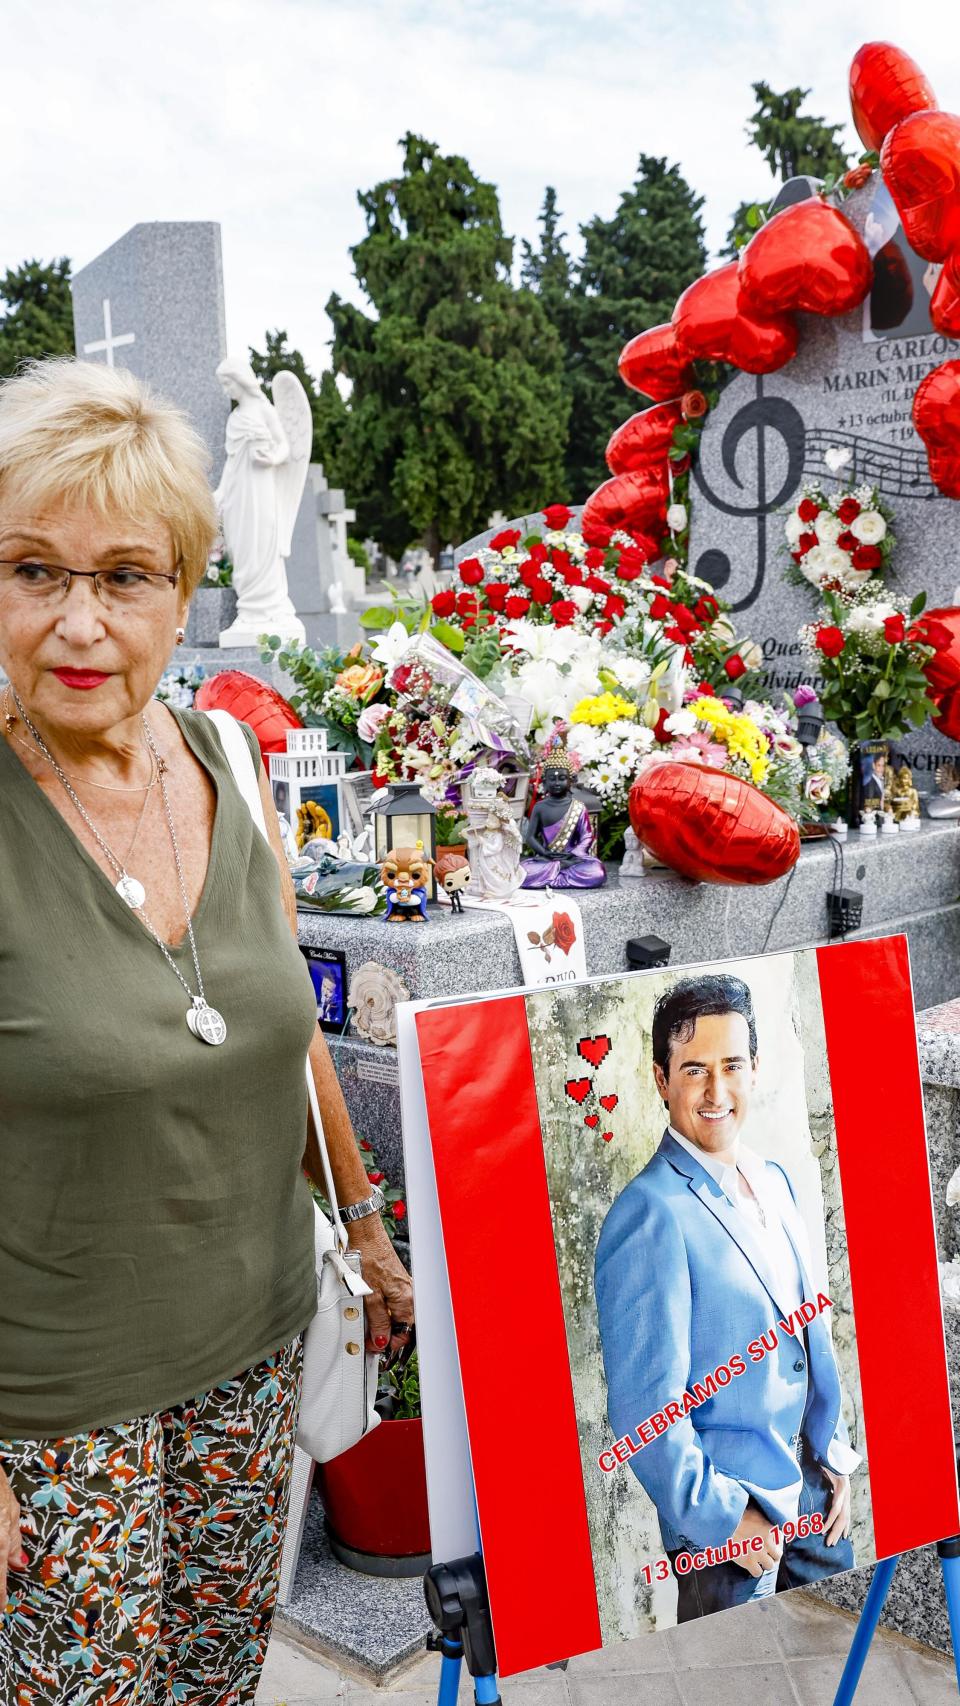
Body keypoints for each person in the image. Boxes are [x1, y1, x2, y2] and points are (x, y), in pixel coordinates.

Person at [0, 358, 413, 1703]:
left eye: (125, 574)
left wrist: (363, 1224)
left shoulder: (227, 765)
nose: (79, 622)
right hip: (52, 1407)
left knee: (216, 1679)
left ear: (186, 592)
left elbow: (282, 1023)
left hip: (251, 1344)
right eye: (31, 569)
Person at [595, 973, 858, 1620]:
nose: (717, 1092)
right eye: (694, 1070)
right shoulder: (649, 1213)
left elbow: (808, 1333)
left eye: (732, 1065)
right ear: (661, 1081)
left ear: (755, 1068)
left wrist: (836, 1454)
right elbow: (644, 1411)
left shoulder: (773, 1179)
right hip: (733, 1538)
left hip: (816, 1503)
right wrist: (726, 1521)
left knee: (836, 1667)